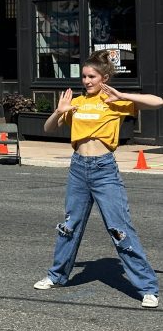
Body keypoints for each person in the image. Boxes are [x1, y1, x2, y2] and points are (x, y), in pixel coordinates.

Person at [33, 50, 161, 309]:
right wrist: (59, 111)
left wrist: (123, 95)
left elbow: (157, 101)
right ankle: (57, 275)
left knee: (119, 227)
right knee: (69, 225)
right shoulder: (76, 103)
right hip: (78, 168)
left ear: (104, 77)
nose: (87, 81)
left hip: (104, 170)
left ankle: (147, 287)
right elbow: (47, 129)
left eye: (92, 76)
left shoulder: (114, 102)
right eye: (84, 76)